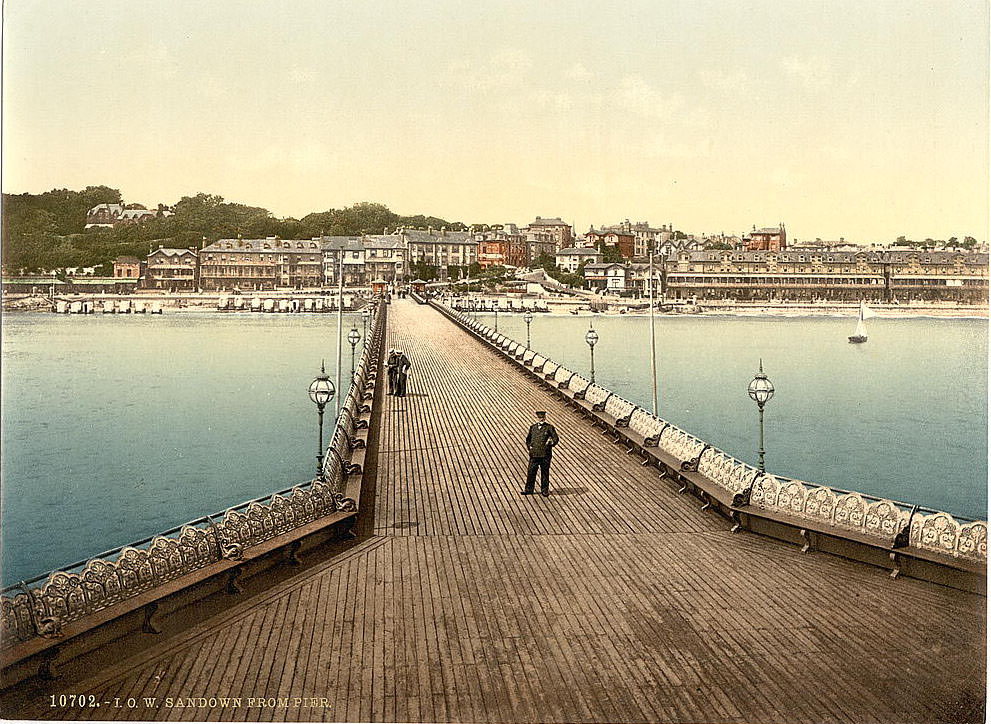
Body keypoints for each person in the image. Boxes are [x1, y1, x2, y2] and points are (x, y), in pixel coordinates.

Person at [521, 410, 559, 497]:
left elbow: (556, 439)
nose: (541, 419)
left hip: (545, 455)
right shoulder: (533, 427)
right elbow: (528, 439)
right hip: (534, 454)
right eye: (539, 418)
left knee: (545, 473)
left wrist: (551, 442)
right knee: (531, 472)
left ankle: (544, 490)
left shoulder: (550, 427)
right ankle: (529, 490)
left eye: (542, 417)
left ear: (545, 418)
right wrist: (529, 447)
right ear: (537, 418)